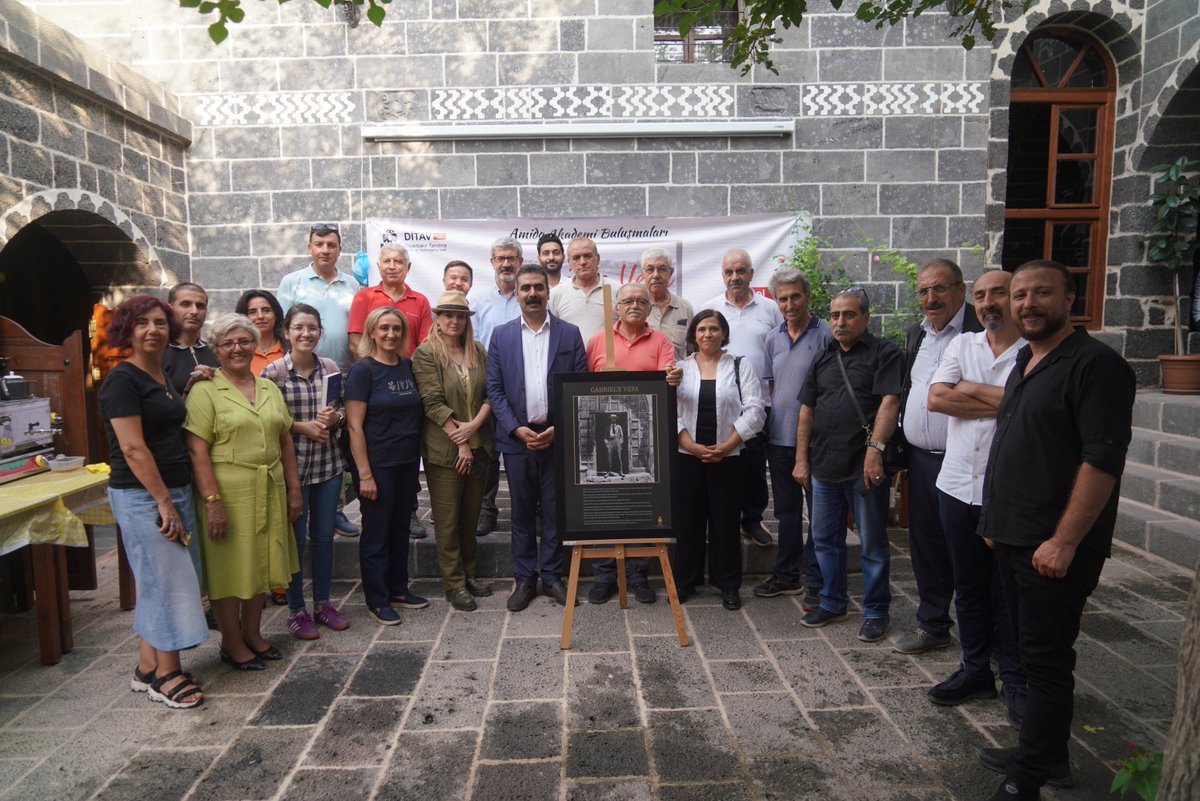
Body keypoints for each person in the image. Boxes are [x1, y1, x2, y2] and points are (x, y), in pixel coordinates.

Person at [975, 260, 1135, 801]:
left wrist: (1064, 541)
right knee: (1026, 653)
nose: (1026, 304)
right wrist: (995, 521)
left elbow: (1101, 462)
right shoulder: (1026, 359)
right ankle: (1045, 754)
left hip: (1052, 546)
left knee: (1045, 662)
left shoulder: (1097, 366)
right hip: (1014, 535)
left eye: (1041, 293)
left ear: (1069, 299)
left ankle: (1027, 779)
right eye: (1019, 295)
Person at [923, 270, 1028, 725]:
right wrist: (1007, 401)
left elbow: (1031, 406)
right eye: (982, 295)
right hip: (955, 485)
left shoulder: (1032, 352)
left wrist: (967, 387)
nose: (989, 303)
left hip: (1003, 490)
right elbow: (935, 399)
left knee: (1008, 591)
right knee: (967, 585)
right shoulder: (962, 345)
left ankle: (1016, 678)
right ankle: (975, 669)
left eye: (998, 293)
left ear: (1015, 299)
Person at [99, 294, 207, 709]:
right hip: (144, 495)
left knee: (157, 579)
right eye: (142, 323)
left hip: (171, 489)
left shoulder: (159, 375)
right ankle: (167, 675)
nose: (152, 330)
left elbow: (165, 423)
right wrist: (163, 502)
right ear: (127, 330)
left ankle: (147, 665)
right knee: (168, 582)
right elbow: (132, 448)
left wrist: (188, 387)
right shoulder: (122, 381)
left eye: (160, 323)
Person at [184, 313, 302, 671]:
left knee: (260, 563)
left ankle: (252, 632)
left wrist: (294, 489)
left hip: (268, 487)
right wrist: (212, 503)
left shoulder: (268, 387)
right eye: (228, 343)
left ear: (255, 345)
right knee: (229, 569)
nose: (237, 349)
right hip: (228, 493)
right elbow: (196, 450)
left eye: (244, 341)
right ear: (216, 349)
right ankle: (231, 641)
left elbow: (285, 439)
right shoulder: (205, 391)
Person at [794, 286, 902, 643]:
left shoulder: (884, 353)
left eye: (849, 314)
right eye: (835, 315)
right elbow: (807, 410)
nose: (840, 322)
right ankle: (832, 602)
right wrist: (801, 460)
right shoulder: (824, 357)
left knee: (872, 545)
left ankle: (876, 611)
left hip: (863, 468)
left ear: (865, 318)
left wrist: (875, 451)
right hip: (823, 466)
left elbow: (889, 403)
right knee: (825, 541)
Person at [894, 258, 984, 656]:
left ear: (961, 290)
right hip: (921, 459)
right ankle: (932, 624)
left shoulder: (980, 332)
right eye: (924, 291)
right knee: (926, 545)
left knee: (968, 551)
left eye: (940, 289)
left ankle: (984, 638)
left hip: (965, 462)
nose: (931, 298)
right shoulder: (917, 334)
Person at [486, 264, 587, 612]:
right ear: (516, 294)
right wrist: (516, 429)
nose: (532, 294)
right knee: (522, 512)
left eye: (538, 288)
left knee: (556, 512)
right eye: (525, 288)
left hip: (558, 438)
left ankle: (553, 576)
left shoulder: (569, 334)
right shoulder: (500, 335)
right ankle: (525, 578)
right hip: (518, 440)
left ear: (548, 292)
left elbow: (579, 385)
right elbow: (495, 389)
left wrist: (562, 427)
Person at [584, 282, 680, 605]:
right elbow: (582, 389)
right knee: (603, 504)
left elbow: (668, 380)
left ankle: (638, 574)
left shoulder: (661, 341)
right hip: (602, 433)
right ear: (617, 307)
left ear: (650, 308)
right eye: (627, 301)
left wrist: (673, 378)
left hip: (645, 433)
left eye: (641, 301)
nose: (634, 305)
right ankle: (604, 575)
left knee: (641, 503)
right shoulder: (597, 341)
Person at [260, 303, 351, 640]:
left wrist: (335, 418)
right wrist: (302, 427)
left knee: (324, 539)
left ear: (320, 332)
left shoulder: (329, 368)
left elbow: (342, 409)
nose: (306, 334)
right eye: (299, 327)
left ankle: (323, 604)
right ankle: (296, 610)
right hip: (292, 472)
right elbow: (265, 421)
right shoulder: (273, 374)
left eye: (312, 328)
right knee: (295, 543)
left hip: (328, 467)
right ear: (286, 332)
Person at [673, 309, 765, 611]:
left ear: (724, 333)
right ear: (693, 335)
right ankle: (685, 581)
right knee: (688, 522)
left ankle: (728, 584)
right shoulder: (680, 368)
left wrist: (727, 445)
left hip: (729, 457)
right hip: (688, 457)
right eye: (701, 329)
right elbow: (670, 410)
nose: (707, 334)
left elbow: (755, 408)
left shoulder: (739, 365)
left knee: (725, 522)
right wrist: (691, 445)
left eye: (713, 329)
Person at [344, 307, 429, 625]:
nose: (391, 334)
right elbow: (354, 426)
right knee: (376, 533)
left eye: (396, 328)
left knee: (399, 528)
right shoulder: (363, 371)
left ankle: (398, 589)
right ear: (372, 332)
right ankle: (377, 599)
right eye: (384, 328)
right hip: (376, 465)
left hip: (406, 462)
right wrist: (364, 474)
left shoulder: (407, 366)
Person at [752, 267, 831, 609]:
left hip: (816, 441)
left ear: (807, 296)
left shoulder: (825, 334)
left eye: (795, 296)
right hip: (779, 439)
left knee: (820, 514)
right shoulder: (773, 338)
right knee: (786, 512)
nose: (789, 304)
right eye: (782, 298)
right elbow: (774, 388)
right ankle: (786, 575)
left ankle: (816, 579)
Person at [276, 222, 361, 537]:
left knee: (336, 444)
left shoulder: (352, 283)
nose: (325, 250)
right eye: (319, 244)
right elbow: (284, 328)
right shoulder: (293, 282)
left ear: (339, 249)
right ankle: (301, 506)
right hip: (302, 376)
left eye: (331, 245)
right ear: (310, 247)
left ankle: (334, 510)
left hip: (342, 374)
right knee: (302, 440)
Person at [412, 291, 495, 612]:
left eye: (460, 316)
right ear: (438, 317)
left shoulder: (478, 350)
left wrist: (474, 427)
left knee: (470, 518)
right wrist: (461, 441)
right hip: (446, 452)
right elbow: (432, 402)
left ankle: (469, 573)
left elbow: (491, 393)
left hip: (479, 445)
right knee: (447, 523)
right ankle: (454, 584)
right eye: (448, 315)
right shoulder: (426, 353)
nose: (454, 321)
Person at [700, 249, 782, 548]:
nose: (734, 277)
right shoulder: (710, 308)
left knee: (754, 466)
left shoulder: (770, 309)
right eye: (729, 272)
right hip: (719, 401)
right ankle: (721, 520)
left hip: (759, 401)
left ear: (751, 273)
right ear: (722, 275)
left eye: (740, 271)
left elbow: (779, 350)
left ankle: (752, 519)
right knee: (720, 463)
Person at [470, 237, 524, 538]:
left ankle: (529, 509)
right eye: (501, 258)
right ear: (492, 262)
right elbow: (475, 345)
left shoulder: (529, 295)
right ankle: (486, 509)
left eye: (511, 258)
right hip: (490, 384)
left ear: (520, 261)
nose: (506, 263)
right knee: (487, 450)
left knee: (525, 447)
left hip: (525, 384)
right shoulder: (478, 301)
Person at [347, 243, 432, 358]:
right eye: (386, 261)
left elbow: (424, 347)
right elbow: (355, 343)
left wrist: (407, 367)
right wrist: (374, 367)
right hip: (371, 369)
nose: (392, 266)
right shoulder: (363, 297)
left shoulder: (421, 301)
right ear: (379, 266)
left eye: (398, 261)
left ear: (408, 267)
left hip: (410, 368)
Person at [548, 236, 614, 343]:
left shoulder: (617, 290)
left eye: (587, 256)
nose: (582, 262)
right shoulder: (555, 294)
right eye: (576, 258)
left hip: (607, 355)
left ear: (598, 259)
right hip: (569, 354)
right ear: (569, 263)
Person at [162, 282, 218, 397]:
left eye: (200, 306)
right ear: (169, 309)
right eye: (185, 304)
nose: (194, 311)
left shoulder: (216, 351)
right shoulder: (158, 354)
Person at [641, 247, 694, 362]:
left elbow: (692, 350)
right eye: (650, 269)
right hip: (644, 373)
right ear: (642, 273)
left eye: (662, 269)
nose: (656, 275)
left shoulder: (685, 308)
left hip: (678, 372)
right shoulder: (635, 308)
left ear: (671, 272)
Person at [236, 289, 287, 376]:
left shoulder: (290, 351)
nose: (260, 316)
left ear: (276, 315)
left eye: (266, 310)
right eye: (252, 312)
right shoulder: (237, 353)